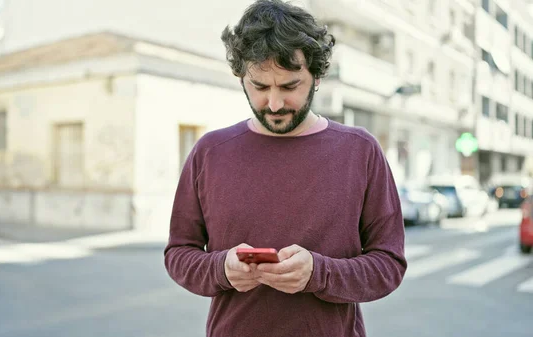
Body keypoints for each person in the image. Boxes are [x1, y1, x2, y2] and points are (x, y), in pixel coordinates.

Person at [164, 1, 407, 336]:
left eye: (290, 86)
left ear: (317, 77)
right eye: (260, 87)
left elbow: (388, 264)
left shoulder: (360, 151)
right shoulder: (209, 152)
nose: (274, 104)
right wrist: (221, 269)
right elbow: (179, 254)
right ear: (241, 77)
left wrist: (319, 274)